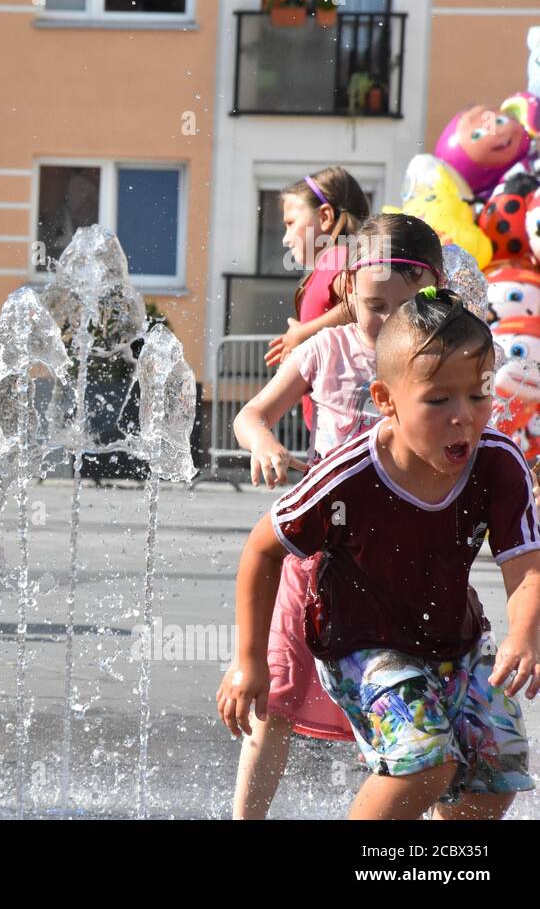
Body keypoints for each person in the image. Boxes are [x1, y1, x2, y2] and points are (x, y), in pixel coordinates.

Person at [219, 285, 540, 820]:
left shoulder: (498, 463)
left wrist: (525, 634)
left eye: (479, 394)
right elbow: (261, 549)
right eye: (439, 399)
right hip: (360, 645)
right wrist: (249, 663)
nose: (463, 415)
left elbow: (526, 564)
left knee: (495, 773)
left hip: (455, 643)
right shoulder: (350, 476)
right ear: (386, 399)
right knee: (424, 764)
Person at [229, 213, 440, 818]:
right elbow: (251, 414)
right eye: (375, 306)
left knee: (402, 711)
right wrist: (264, 444)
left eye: (405, 309)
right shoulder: (325, 349)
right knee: (276, 700)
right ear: (348, 289)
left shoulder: (436, 362)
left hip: (399, 566)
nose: (388, 324)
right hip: (314, 558)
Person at [265, 168, 370, 435]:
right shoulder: (331, 262)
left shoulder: (338, 256)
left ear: (324, 216)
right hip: (338, 424)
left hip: (344, 426)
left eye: (290, 224)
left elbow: (364, 305)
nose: (285, 238)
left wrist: (303, 332)